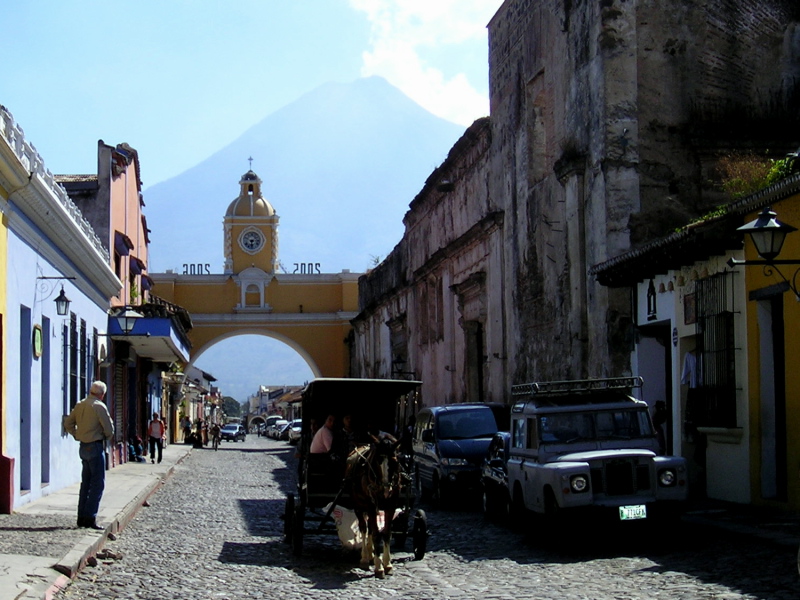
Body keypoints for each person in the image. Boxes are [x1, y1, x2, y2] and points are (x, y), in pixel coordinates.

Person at [63, 380, 114, 530]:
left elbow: (68, 423)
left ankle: (81, 517)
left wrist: (77, 435)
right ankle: (90, 516)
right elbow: (109, 429)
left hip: (83, 447)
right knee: (97, 483)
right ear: (102, 394)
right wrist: (106, 436)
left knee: (85, 482)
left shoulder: (80, 405)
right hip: (95, 445)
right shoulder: (99, 406)